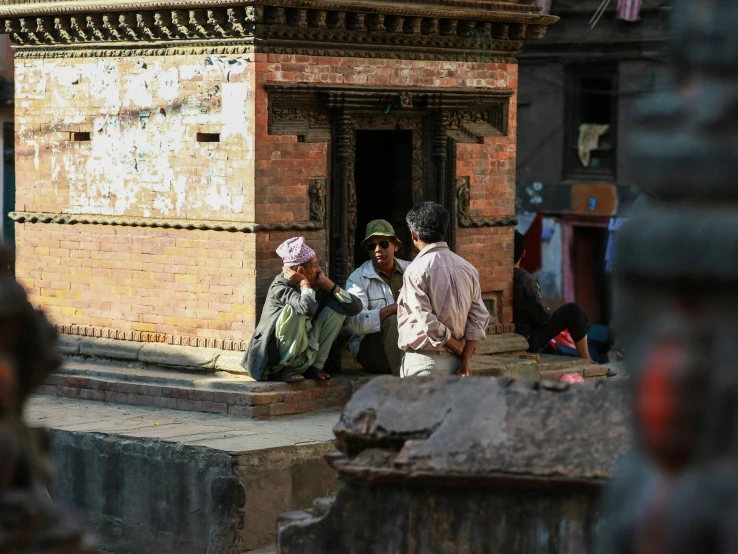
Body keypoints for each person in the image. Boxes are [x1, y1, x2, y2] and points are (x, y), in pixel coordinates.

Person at [241, 237, 362, 382]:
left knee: (337, 313)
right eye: (315, 265)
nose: (319, 270)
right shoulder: (280, 286)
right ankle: (284, 369)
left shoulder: (318, 285)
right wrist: (304, 283)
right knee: (295, 310)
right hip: (275, 359)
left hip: (307, 350)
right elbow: (307, 308)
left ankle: (314, 367)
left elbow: (355, 308)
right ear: (300, 270)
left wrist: (331, 285)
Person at [397, 202, 490, 377]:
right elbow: (479, 317)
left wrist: (458, 347)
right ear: (444, 234)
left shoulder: (415, 270)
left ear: (413, 236)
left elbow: (426, 319)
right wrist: (466, 357)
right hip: (459, 364)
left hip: (426, 363)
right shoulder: (468, 268)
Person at [512, 230, 600, 364]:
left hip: (516, 335)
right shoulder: (525, 280)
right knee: (574, 311)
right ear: (523, 253)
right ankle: (587, 359)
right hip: (527, 339)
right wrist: (547, 311)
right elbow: (542, 317)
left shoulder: (498, 278)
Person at [346, 220, 410, 376]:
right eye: (372, 246)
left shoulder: (412, 270)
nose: (377, 250)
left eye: (383, 244)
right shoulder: (358, 278)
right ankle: (401, 378)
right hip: (372, 348)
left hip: (410, 341)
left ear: (395, 245)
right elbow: (355, 324)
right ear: (368, 251)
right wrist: (392, 309)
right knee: (393, 320)